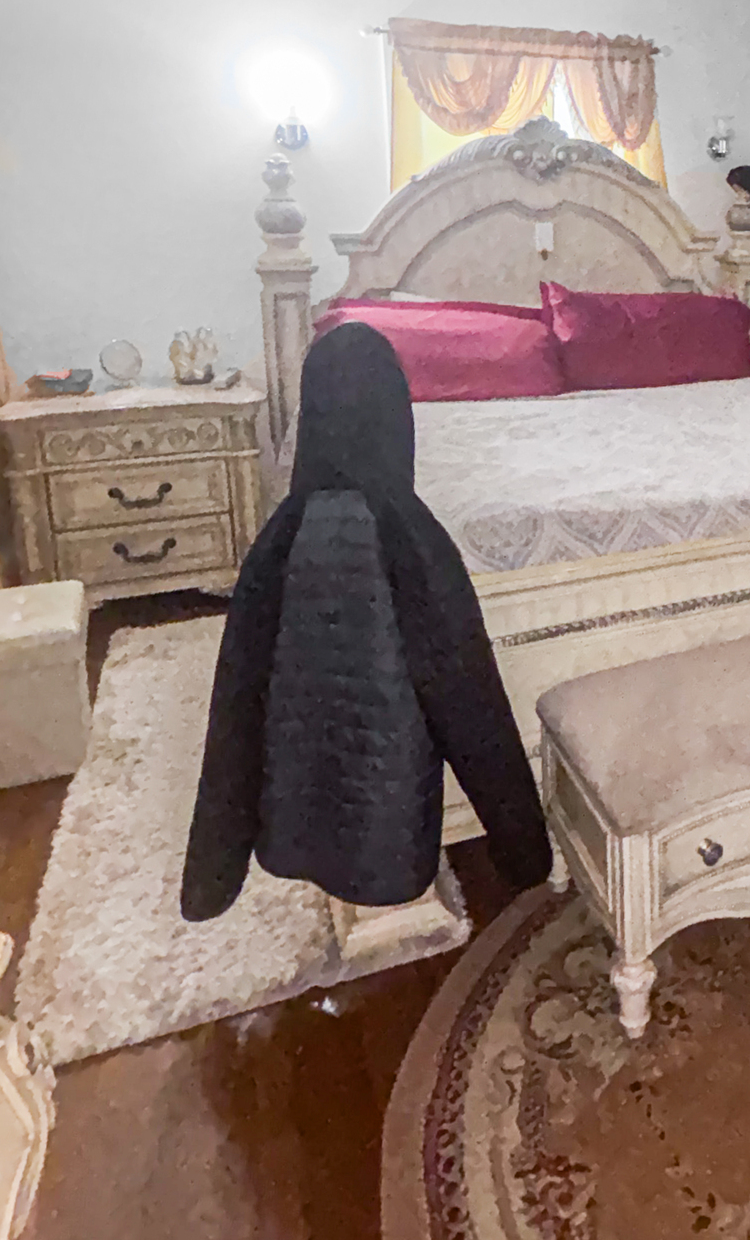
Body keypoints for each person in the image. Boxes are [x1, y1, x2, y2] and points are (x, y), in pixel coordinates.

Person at [181, 323, 552, 920]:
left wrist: (210, 880)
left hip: (290, 813)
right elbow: (473, 704)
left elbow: (234, 712)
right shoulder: (413, 534)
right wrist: (524, 854)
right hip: (392, 829)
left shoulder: (278, 539)